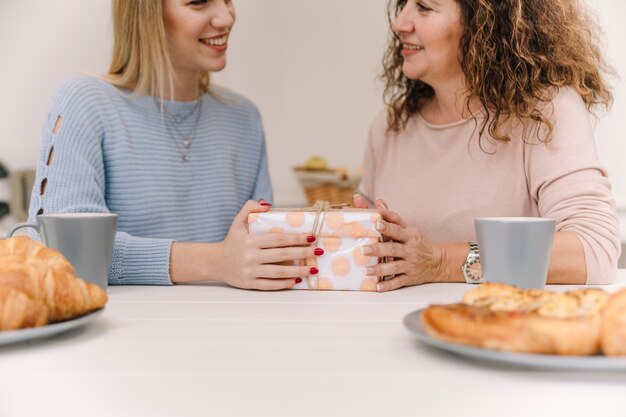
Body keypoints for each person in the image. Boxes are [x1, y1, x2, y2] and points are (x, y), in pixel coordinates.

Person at [28, 0, 321, 289]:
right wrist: (215, 261)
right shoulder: (84, 102)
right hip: (118, 334)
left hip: (233, 329)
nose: (226, 18)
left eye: (228, 0)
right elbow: (63, 248)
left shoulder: (245, 118)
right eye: (198, 3)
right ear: (147, 14)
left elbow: (261, 252)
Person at [354, 0, 621, 291]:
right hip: (390, 329)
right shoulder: (391, 125)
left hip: (506, 328)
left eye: (424, 7)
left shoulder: (545, 113)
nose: (399, 24)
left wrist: (441, 261)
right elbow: (366, 253)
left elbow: (594, 249)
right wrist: (313, 248)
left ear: (483, 22)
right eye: (404, 4)